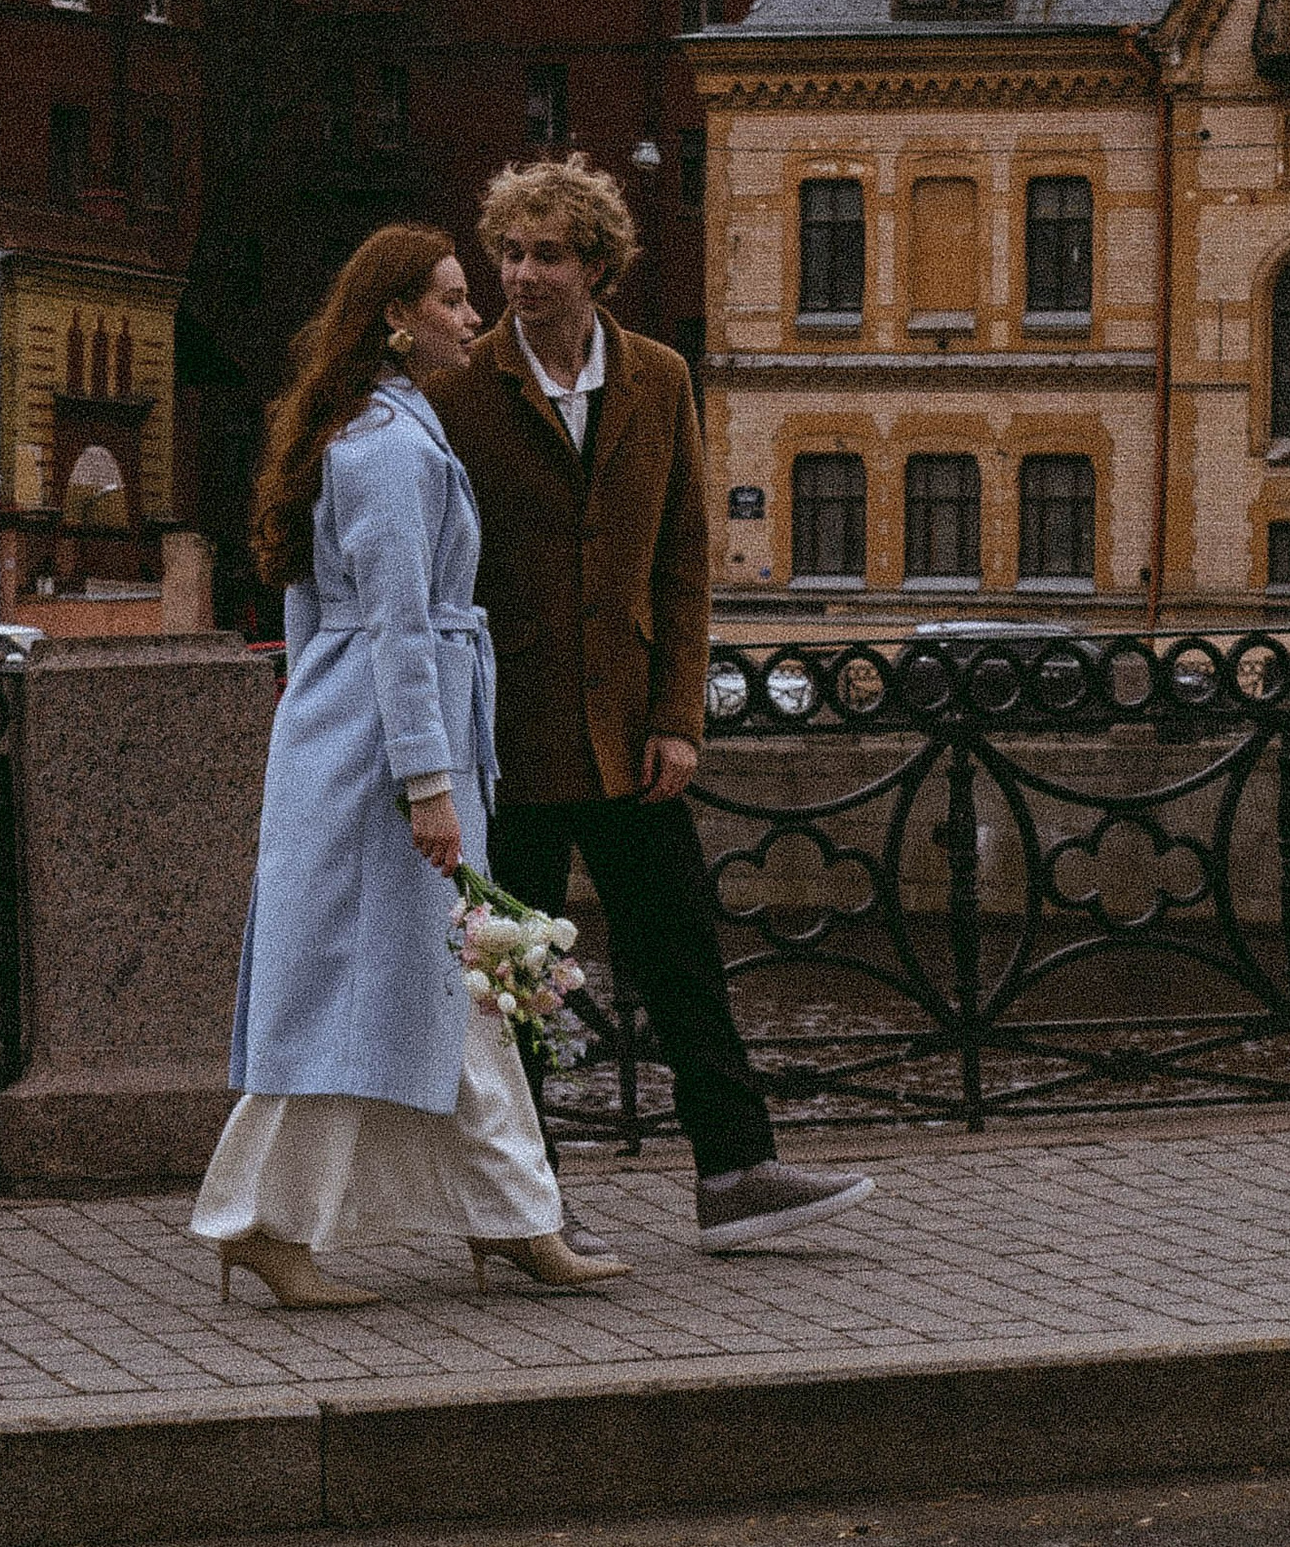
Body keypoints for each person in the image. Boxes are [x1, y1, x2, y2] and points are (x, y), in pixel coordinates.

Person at [438, 153, 872, 1257]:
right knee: (517, 977)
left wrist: (680, 715)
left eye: (546, 255)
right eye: (509, 254)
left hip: (632, 731)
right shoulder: (459, 389)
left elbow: (684, 560)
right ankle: (520, 1204)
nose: (522, 275)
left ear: (597, 266)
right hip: (511, 731)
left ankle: (735, 1173)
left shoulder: (660, 379)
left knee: (681, 951)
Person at [189, 222, 627, 1307]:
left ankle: (514, 1219)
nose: (473, 315)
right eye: (447, 299)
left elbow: (313, 618)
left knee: (457, 988)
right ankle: (261, 1223)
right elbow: (390, 625)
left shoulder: (370, 428)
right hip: (380, 765)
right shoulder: (387, 447)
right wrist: (428, 788)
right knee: (356, 991)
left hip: (351, 741)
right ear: (393, 318)